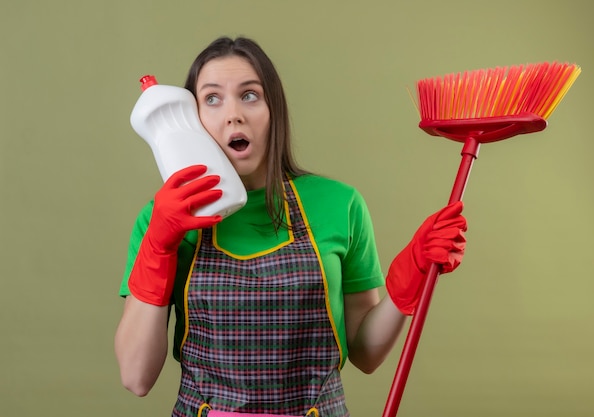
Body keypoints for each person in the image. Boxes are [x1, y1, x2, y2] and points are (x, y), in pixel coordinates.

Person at [114, 36, 467, 417]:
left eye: (250, 95)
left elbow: (365, 353)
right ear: (192, 119)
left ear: (273, 111)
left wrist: (408, 277)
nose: (233, 114)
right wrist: (159, 245)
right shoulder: (163, 218)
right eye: (212, 99)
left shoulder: (339, 204)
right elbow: (137, 377)